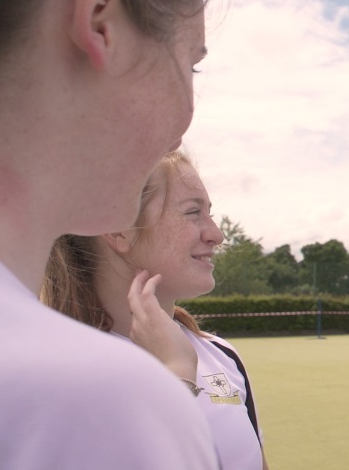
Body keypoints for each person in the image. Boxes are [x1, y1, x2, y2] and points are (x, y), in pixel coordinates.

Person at [0, 0, 219, 468]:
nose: (183, 126)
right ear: (99, 16)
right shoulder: (99, 401)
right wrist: (170, 391)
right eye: (191, 64)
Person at [43, 151, 269, 470]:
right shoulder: (53, 375)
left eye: (210, 214)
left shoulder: (222, 356)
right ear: (120, 229)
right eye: (193, 213)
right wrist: (177, 374)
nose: (216, 234)